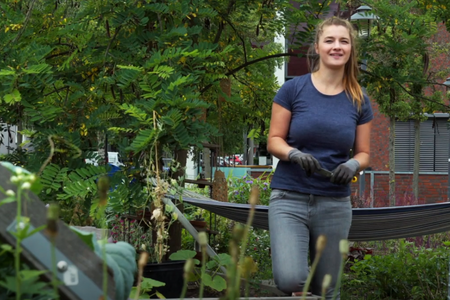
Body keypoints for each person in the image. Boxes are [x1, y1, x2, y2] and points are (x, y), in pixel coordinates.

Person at [267, 17, 373, 300]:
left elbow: (364, 153)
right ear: (317, 46)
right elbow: (274, 140)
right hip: (290, 197)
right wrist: (294, 153)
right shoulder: (293, 89)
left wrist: (353, 164)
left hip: (334, 203)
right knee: (291, 278)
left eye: (343, 41)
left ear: (351, 48)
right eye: (330, 40)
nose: (336, 46)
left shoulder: (359, 99)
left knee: (327, 288)